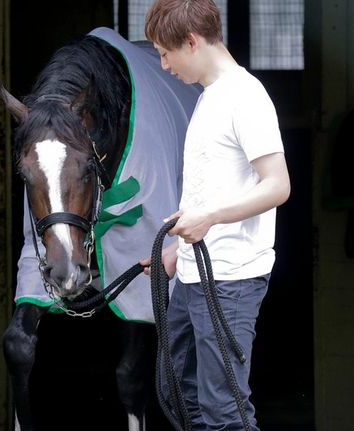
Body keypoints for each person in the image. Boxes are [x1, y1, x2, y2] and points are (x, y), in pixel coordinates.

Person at [138, 0, 291, 429]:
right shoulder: (209, 97)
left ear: (191, 41)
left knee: (224, 408)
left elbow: (278, 185)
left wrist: (210, 220)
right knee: (178, 392)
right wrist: (175, 251)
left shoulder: (245, 97)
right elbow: (210, 185)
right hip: (192, 273)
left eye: (166, 54)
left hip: (230, 279)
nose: (164, 66)